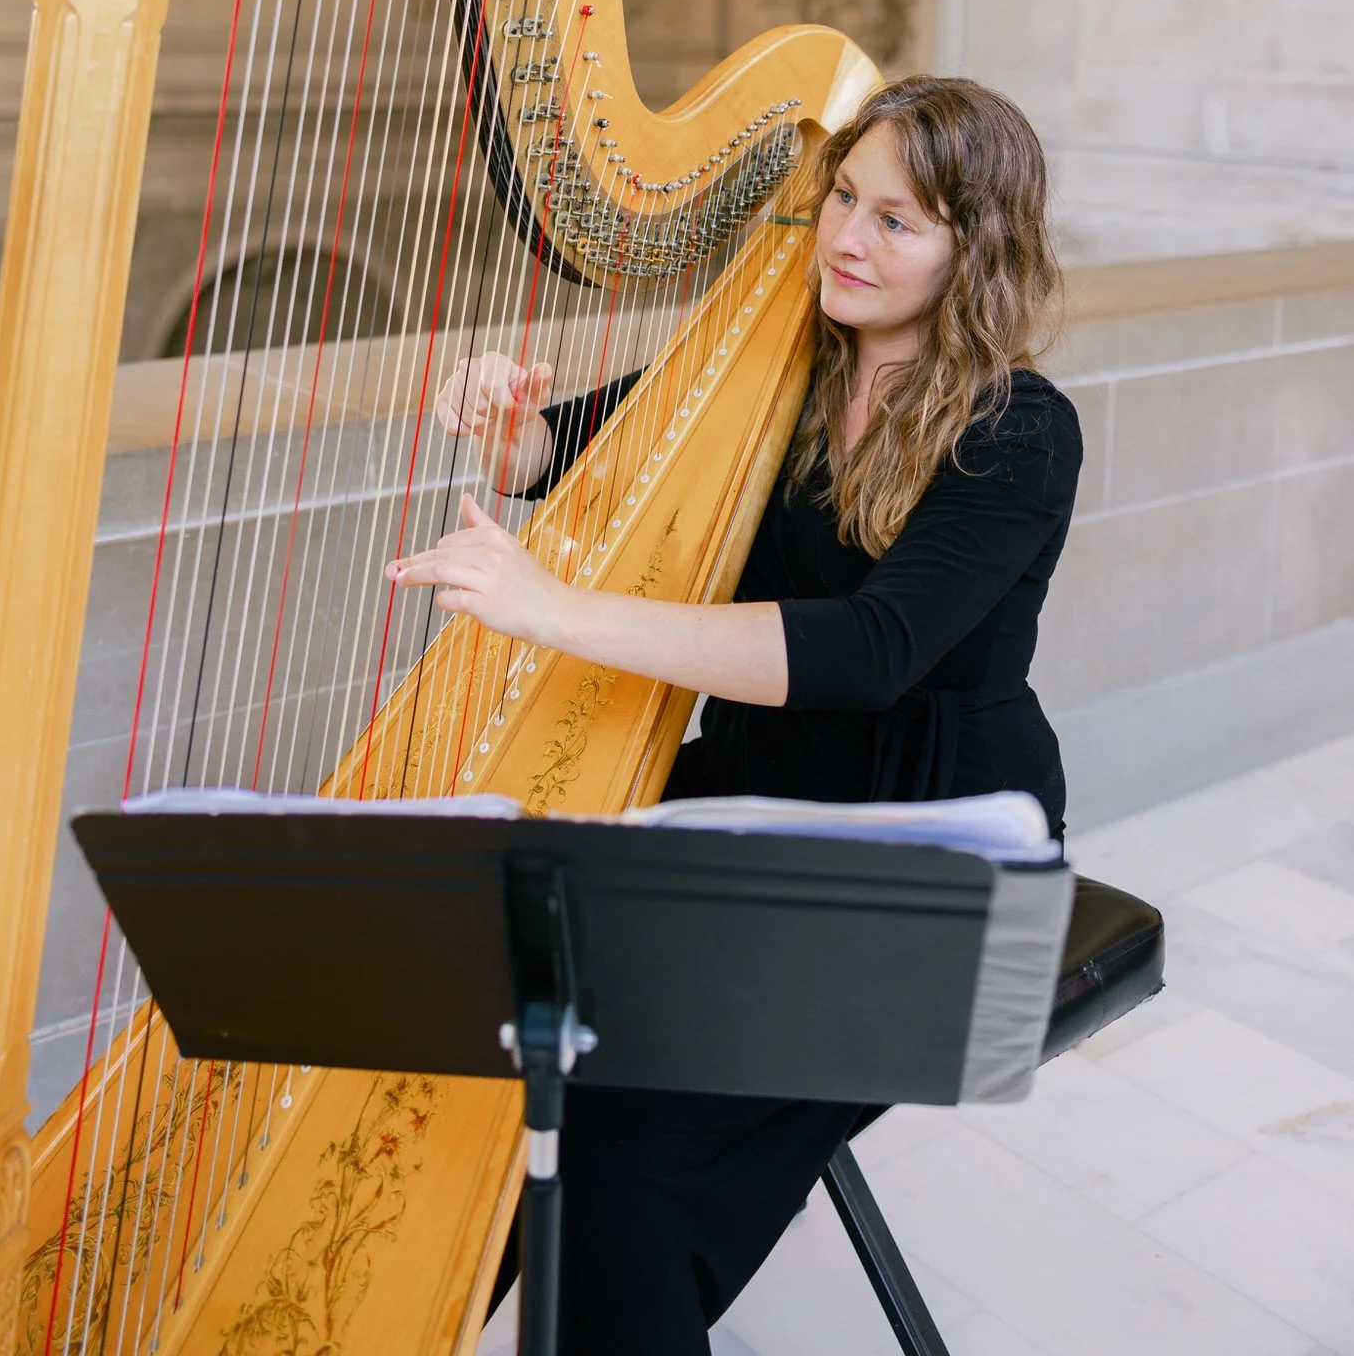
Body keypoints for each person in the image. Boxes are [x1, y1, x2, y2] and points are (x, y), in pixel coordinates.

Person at [387, 75, 1081, 1355]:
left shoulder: (1019, 430)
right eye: (844, 202)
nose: (847, 239)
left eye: (897, 221)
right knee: (489, 1021)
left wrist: (553, 612)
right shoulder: (774, 363)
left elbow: (866, 652)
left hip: (931, 857)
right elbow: (572, 451)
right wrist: (504, 426)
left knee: (626, 1165)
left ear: (972, 251)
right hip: (760, 798)